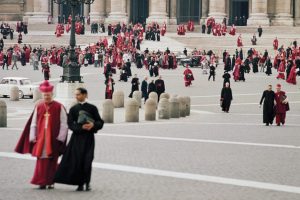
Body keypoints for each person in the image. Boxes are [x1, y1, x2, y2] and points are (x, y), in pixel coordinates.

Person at [15, 81, 68, 189]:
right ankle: (41, 181)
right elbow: (33, 123)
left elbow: (64, 124)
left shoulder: (59, 107)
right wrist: (33, 137)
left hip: (54, 139)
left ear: (52, 94)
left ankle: (50, 181)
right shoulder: (39, 106)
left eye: (48, 95)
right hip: (41, 138)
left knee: (52, 160)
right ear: (42, 95)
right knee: (41, 160)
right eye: (45, 95)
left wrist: (60, 138)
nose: (46, 97)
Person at [54, 88, 104, 191]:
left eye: (78, 94)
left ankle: (87, 183)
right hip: (76, 139)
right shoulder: (73, 109)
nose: (76, 96)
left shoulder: (92, 108)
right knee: (77, 160)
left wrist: (93, 125)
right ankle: (79, 183)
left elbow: (100, 122)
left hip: (89, 138)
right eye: (75, 95)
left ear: (85, 95)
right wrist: (81, 128)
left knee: (87, 160)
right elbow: (70, 124)